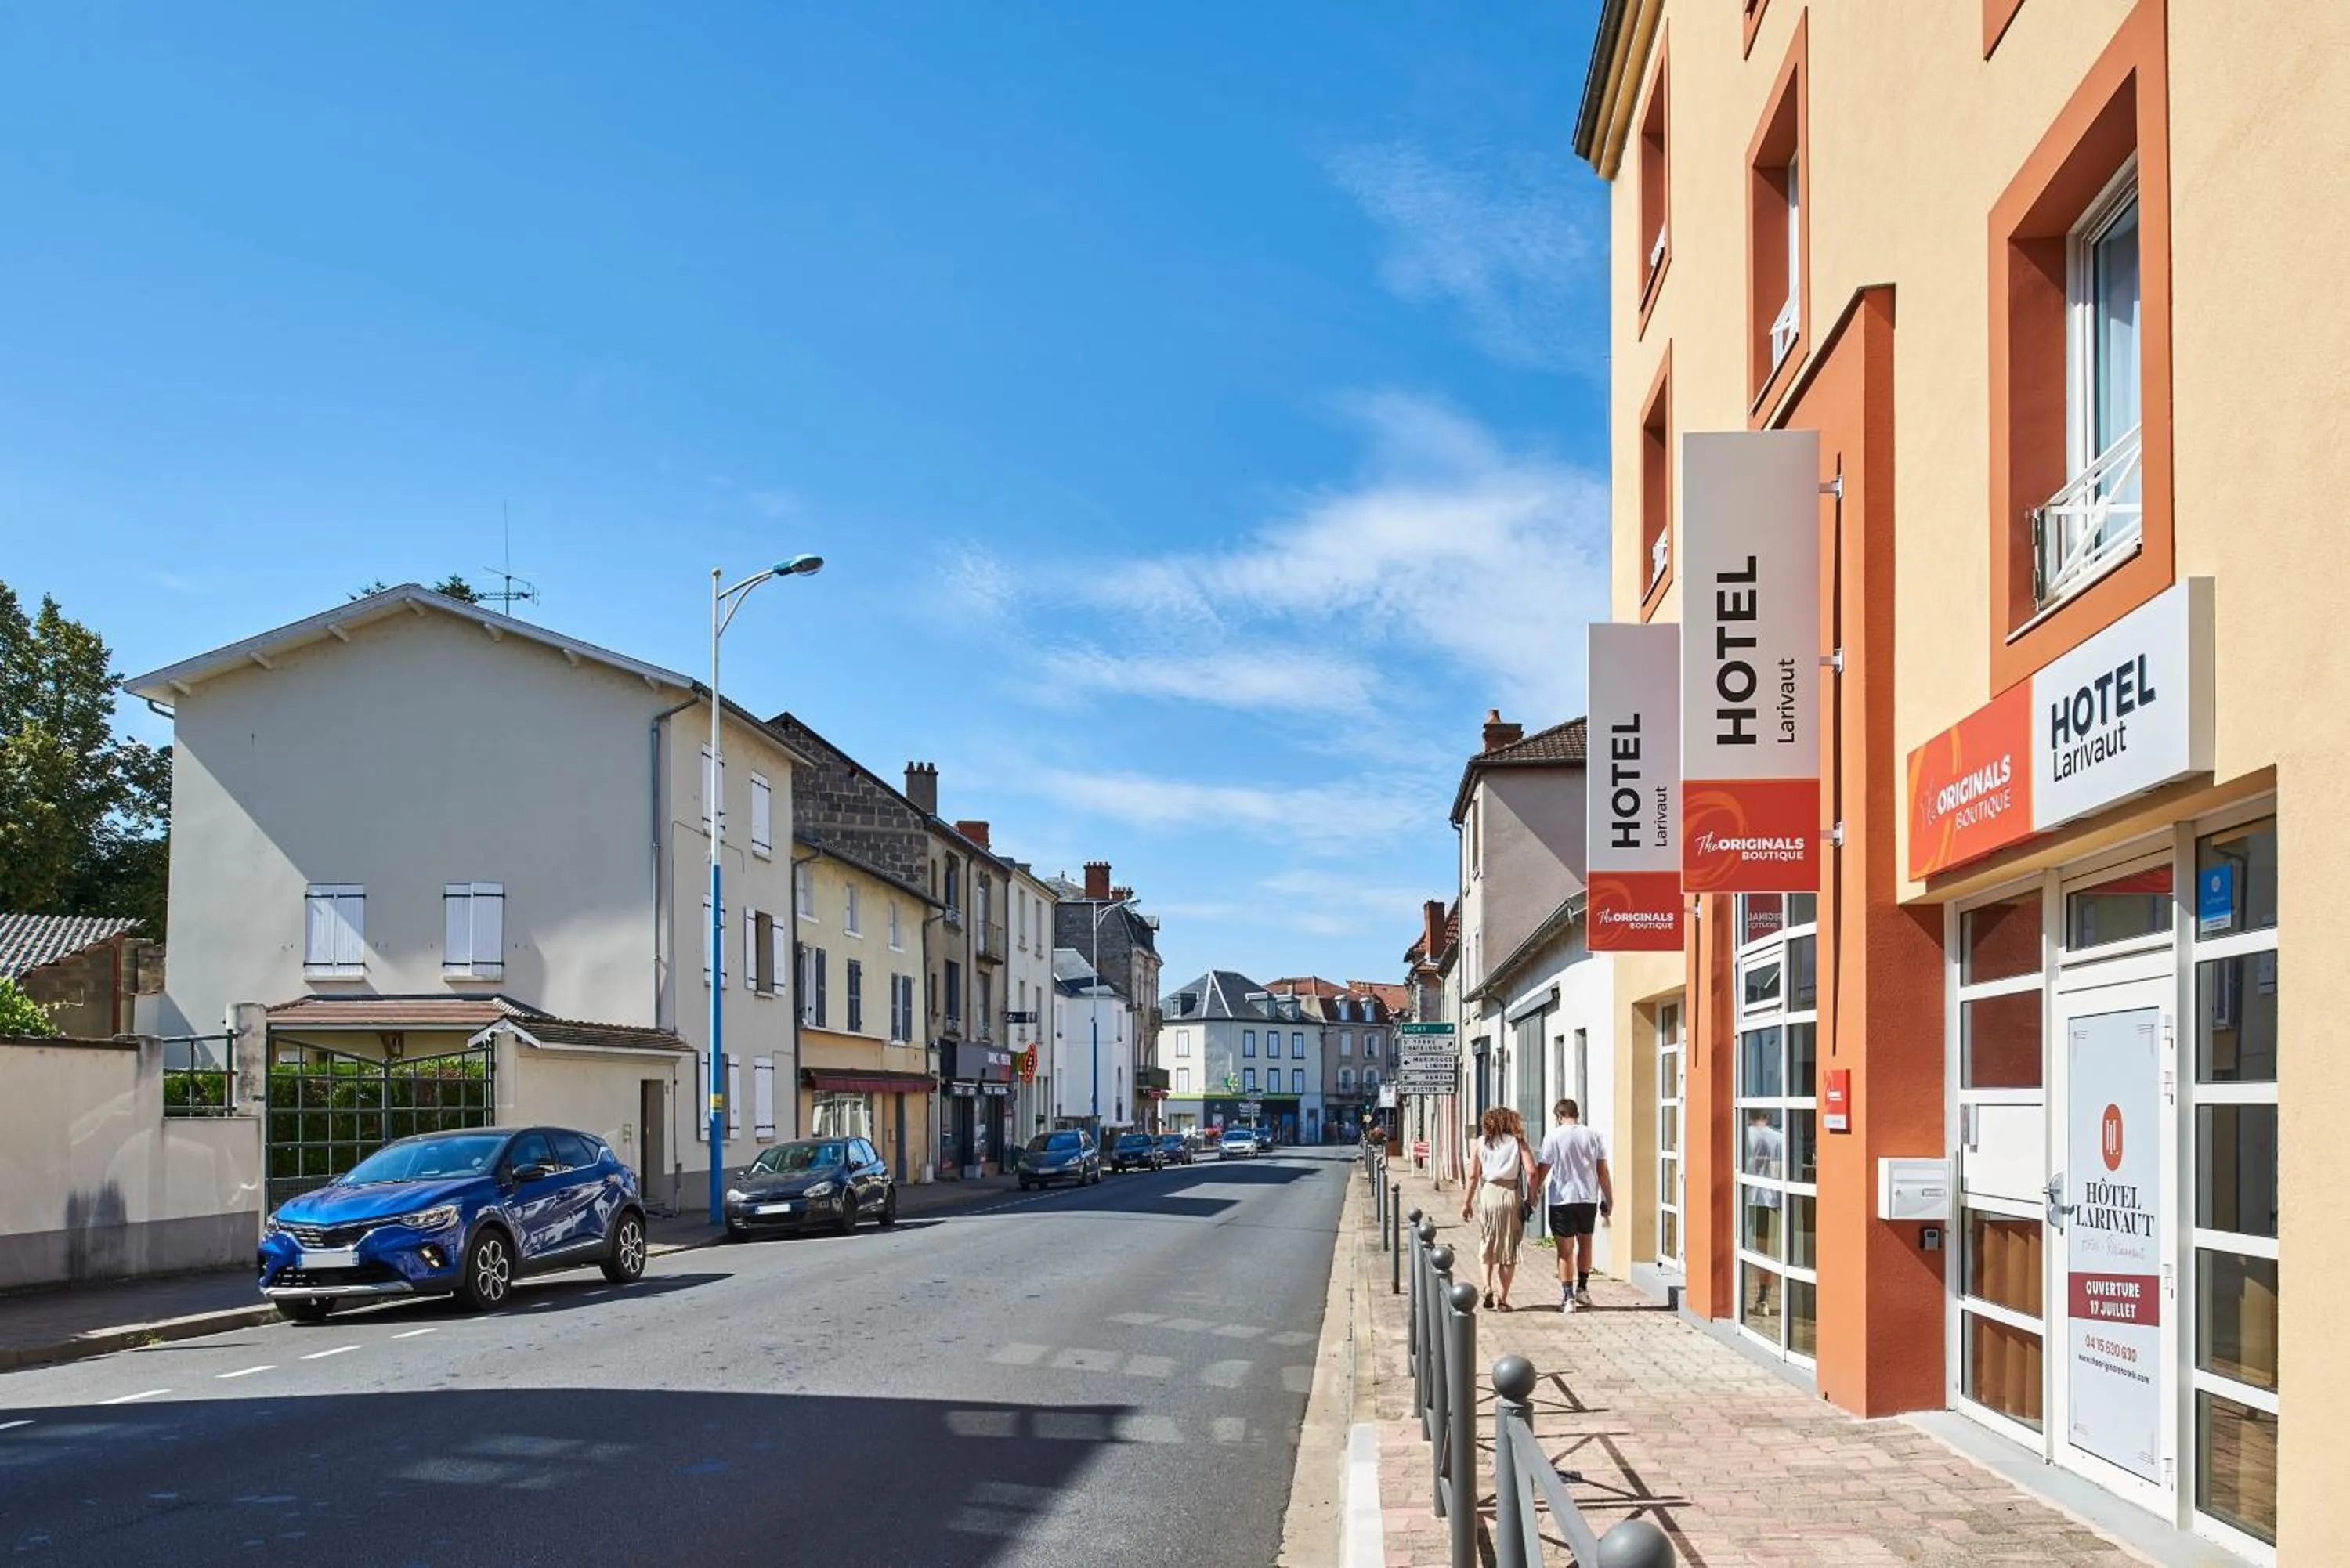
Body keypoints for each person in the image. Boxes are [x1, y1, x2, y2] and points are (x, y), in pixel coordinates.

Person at [1532, 1098, 1613, 1313]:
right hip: (1587, 1198)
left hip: (1562, 1199)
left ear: (1559, 1116)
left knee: (1565, 1251)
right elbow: (1603, 1171)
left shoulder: (1553, 1136)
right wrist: (1608, 1198)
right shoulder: (1594, 1135)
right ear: (1577, 1114)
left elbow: (1543, 1169)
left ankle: (1568, 1298)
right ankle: (1583, 1290)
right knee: (1585, 1243)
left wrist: (1533, 1194)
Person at [1458, 1106, 1528, 1310]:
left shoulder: (1481, 1143)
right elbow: (1532, 1171)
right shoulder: (1518, 1142)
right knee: (1508, 1246)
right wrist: (1532, 1198)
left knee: (1488, 1240)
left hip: (1488, 1193)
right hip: (1510, 1193)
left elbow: (1473, 1176)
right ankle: (1502, 1299)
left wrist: (1466, 1203)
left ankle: (1487, 1286)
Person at [1744, 1110, 1785, 1313]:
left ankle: (1743, 1293)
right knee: (1764, 1249)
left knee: (1741, 1244)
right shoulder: (1779, 1138)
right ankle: (1763, 1297)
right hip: (1768, 1199)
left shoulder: (1744, 1135)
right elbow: (1781, 1170)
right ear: (1767, 1118)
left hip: (1746, 1197)